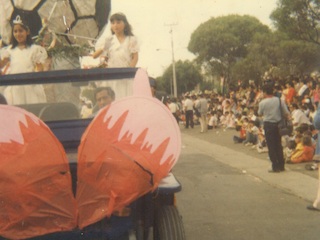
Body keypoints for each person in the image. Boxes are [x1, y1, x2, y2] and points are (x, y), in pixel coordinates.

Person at [0, 15, 48, 105]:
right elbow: (1, 64)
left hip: (30, 87)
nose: (18, 34)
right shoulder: (9, 50)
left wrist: (36, 77)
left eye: (21, 31)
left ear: (27, 32)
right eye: (15, 31)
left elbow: (39, 69)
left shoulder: (34, 50)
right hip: (15, 88)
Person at [93, 12, 139, 99]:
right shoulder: (109, 39)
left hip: (126, 76)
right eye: (113, 23)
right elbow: (94, 56)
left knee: (126, 98)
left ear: (124, 24)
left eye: (118, 22)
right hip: (112, 75)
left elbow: (135, 58)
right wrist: (104, 48)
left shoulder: (131, 39)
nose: (115, 25)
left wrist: (128, 71)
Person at [258, 84, 290, 173]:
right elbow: (286, 112)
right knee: (278, 145)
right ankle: (281, 165)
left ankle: (275, 166)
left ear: (264, 92)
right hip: (278, 125)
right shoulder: (280, 100)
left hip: (268, 125)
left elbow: (260, 113)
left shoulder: (262, 103)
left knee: (271, 146)